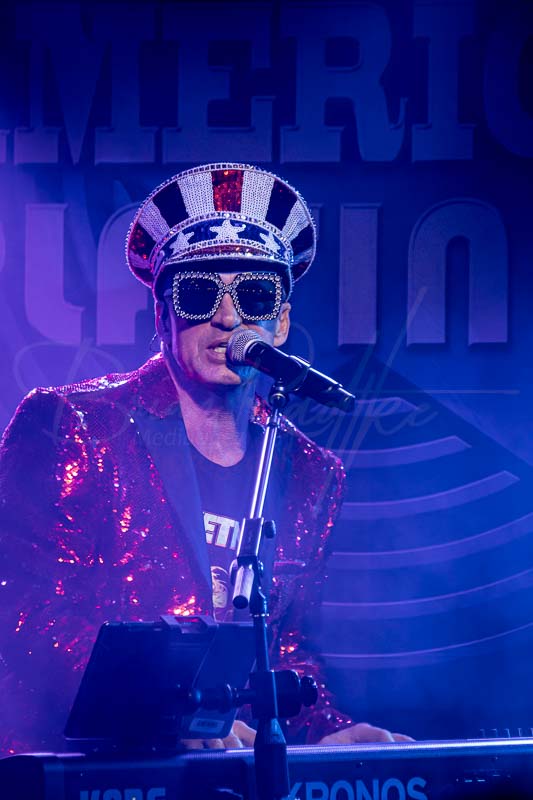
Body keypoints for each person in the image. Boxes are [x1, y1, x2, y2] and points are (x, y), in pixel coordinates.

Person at [0, 163, 409, 755]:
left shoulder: (312, 472)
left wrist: (326, 732)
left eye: (255, 294)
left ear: (281, 322)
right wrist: (172, 712)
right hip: (90, 769)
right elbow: (23, 612)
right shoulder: (73, 426)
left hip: (230, 772)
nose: (228, 317)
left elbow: (282, 648)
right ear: (162, 315)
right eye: (198, 293)